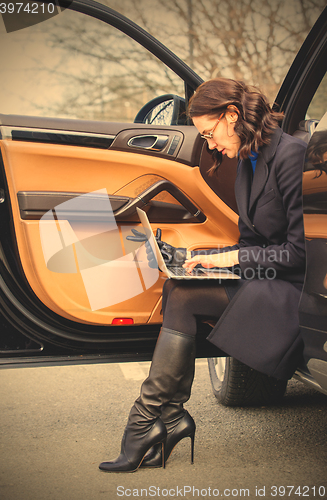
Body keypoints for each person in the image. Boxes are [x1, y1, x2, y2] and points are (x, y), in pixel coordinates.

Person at [99, 77, 307, 472]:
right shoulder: (247, 159)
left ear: (232, 115)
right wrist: (207, 257)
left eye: (210, 133)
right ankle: (164, 419)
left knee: (184, 294)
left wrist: (228, 262)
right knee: (180, 284)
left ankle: (150, 422)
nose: (210, 144)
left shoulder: (291, 156)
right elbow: (251, 242)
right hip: (266, 277)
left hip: (294, 290)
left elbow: (298, 255)